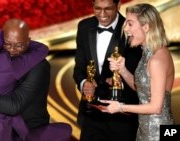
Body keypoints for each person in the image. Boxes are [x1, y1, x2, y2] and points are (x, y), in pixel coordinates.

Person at [0, 19, 72, 141]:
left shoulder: (39, 66)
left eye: (19, 45)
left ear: (28, 42)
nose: (12, 50)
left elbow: (15, 105)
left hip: (28, 132)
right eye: (7, 43)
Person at [99, 3, 175, 141]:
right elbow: (142, 90)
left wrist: (120, 107)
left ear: (146, 27)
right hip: (147, 130)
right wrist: (122, 70)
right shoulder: (150, 54)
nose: (126, 29)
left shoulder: (156, 60)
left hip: (157, 133)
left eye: (130, 24)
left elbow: (156, 107)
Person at [73, 0, 142, 140]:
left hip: (122, 116)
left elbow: (139, 74)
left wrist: (119, 84)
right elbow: (79, 66)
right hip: (91, 112)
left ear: (118, 5)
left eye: (108, 9)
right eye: (98, 8)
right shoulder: (84, 26)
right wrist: (84, 83)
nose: (102, 14)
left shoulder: (131, 28)